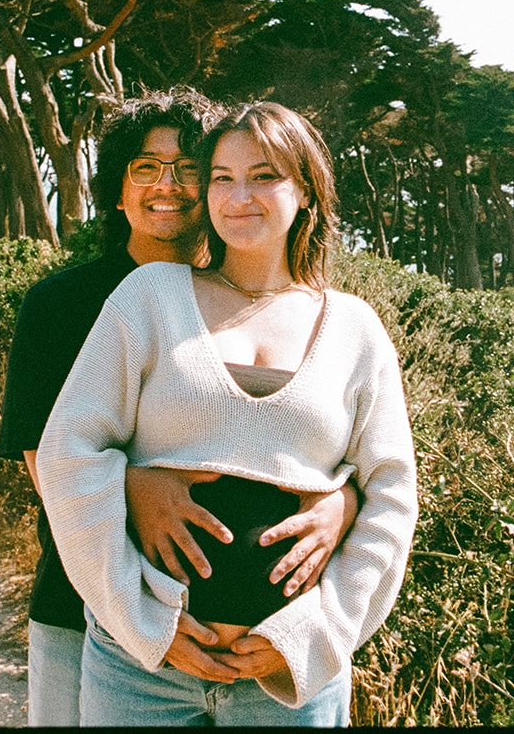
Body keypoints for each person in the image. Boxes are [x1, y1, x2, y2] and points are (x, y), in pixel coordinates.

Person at [37, 100, 418, 726]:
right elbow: (69, 454)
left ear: (307, 193)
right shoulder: (150, 297)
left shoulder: (355, 329)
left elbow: (392, 494)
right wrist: (141, 625)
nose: (239, 195)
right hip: (142, 673)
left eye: (264, 175)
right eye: (221, 177)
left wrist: (314, 638)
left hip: (291, 684)